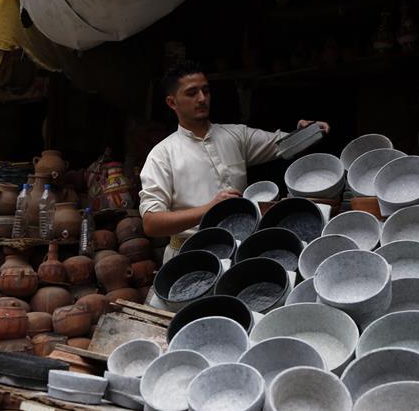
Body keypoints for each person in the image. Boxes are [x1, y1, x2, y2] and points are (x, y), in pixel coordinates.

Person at [140, 60, 329, 261]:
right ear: (172, 103)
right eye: (192, 93)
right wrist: (209, 209)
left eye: (206, 91)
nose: (202, 98)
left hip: (240, 252)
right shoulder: (162, 154)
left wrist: (306, 133)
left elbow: (283, 145)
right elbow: (151, 223)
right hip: (189, 256)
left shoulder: (236, 135)